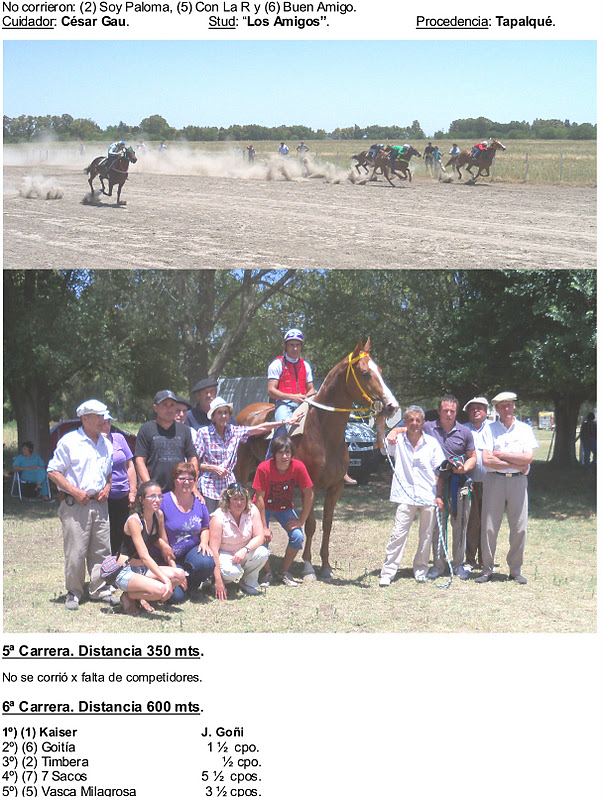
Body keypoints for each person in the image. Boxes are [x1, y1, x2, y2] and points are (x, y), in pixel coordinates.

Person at [390, 395, 476, 579]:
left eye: (452, 411)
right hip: (436, 484)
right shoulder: (428, 426)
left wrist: (464, 469)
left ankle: (458, 564)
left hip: (458, 483)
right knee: (437, 526)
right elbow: (410, 426)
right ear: (439, 411)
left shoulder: (464, 432)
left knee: (459, 526)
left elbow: (473, 456)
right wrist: (394, 431)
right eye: (445, 410)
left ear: (456, 412)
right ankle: (438, 565)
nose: (449, 414)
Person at [47, 399, 114, 610]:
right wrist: (74, 491)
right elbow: (53, 470)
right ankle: (74, 592)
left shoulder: (106, 443)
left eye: (104, 416)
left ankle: (99, 589)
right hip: (75, 505)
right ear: (85, 418)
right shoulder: (69, 442)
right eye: (98, 416)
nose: (103, 420)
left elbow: (108, 472)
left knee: (102, 550)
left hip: (100, 505)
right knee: (76, 551)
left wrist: (108, 487)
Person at [476, 392, 538, 584]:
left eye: (509, 405)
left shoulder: (525, 429)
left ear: (514, 406)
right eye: (502, 406)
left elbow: (528, 458)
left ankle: (515, 570)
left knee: (519, 528)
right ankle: (487, 569)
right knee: (489, 527)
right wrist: (516, 462)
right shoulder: (489, 429)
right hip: (494, 481)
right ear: (497, 408)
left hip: (518, 482)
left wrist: (501, 455)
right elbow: (487, 460)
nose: (506, 409)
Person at [379, 406, 445, 585]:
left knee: (426, 536)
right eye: (411, 420)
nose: (414, 423)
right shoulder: (397, 440)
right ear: (405, 422)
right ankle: (388, 572)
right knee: (398, 534)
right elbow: (383, 448)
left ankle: (421, 569)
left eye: (417, 420)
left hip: (427, 495)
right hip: (405, 495)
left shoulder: (431, 443)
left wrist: (438, 495)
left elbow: (439, 471)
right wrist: (382, 427)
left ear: (423, 423)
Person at [195, 397, 281, 513]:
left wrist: (284, 422)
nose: (223, 416)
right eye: (219, 413)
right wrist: (213, 468)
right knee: (211, 519)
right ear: (213, 416)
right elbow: (194, 462)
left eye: (226, 412)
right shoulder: (204, 433)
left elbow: (260, 428)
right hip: (209, 487)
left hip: (229, 487)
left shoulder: (234, 431)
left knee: (230, 519)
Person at [117, 481, 187, 615]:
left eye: (160, 496)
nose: (157, 500)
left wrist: (173, 567)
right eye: (152, 496)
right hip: (126, 571)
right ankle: (128, 596)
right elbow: (144, 556)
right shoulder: (134, 521)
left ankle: (138, 595)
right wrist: (166, 580)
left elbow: (163, 545)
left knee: (179, 575)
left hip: (144, 569)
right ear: (141, 499)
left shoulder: (158, 515)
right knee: (162, 589)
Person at [252, 435, 314, 587]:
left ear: (292, 454)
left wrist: (302, 520)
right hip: (263, 507)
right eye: (280, 452)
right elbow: (259, 498)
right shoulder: (264, 468)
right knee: (262, 537)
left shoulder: (298, 467)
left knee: (298, 536)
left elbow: (309, 493)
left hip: (285, 508)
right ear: (274, 454)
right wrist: (264, 527)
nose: (284, 456)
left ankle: (283, 572)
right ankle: (267, 573)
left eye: (287, 452)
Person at [159, 462, 214, 603]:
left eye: (190, 479)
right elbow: (156, 535)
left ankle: (193, 586)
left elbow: (205, 527)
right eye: (182, 479)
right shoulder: (163, 501)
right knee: (175, 598)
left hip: (190, 553)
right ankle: (180, 582)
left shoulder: (199, 502)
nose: (186, 482)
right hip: (167, 557)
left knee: (206, 561)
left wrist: (204, 542)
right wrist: (174, 569)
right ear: (174, 480)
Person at [209, 484, 269, 598]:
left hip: (243, 551)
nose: (239, 503)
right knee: (232, 572)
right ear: (227, 500)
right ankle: (217, 580)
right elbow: (214, 550)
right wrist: (218, 581)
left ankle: (247, 582)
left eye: (242, 499)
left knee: (263, 552)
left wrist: (245, 550)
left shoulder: (252, 510)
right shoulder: (218, 517)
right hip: (224, 554)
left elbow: (260, 537)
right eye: (235, 499)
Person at [135, 390, 199, 495]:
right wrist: (150, 487)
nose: (169, 409)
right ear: (155, 408)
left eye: (172, 405)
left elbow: (193, 458)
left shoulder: (184, 430)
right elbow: (140, 460)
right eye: (165, 405)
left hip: (179, 490)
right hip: (155, 492)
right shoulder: (146, 429)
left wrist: (193, 485)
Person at [100, 412, 136, 555]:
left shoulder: (119, 438)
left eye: (108, 422)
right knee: (105, 534)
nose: (106, 426)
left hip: (122, 494)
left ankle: (121, 562)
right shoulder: (94, 443)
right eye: (103, 423)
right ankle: (107, 564)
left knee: (122, 532)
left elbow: (130, 465)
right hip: (103, 497)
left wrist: (132, 491)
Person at [463, 396, 490, 570]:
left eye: (480, 407)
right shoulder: (463, 429)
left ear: (486, 411)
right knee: (472, 522)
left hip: (491, 482)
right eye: (472, 408)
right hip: (471, 482)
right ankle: (470, 560)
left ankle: (486, 560)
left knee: (488, 523)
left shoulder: (493, 429)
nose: (476, 411)